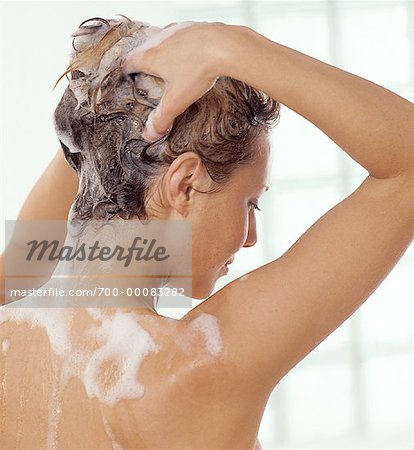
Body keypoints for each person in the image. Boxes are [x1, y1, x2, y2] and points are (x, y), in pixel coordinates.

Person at [1, 16, 413, 450]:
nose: (251, 236)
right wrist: (230, 46)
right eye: (250, 203)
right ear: (185, 184)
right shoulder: (197, 369)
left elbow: (27, 258)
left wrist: (110, 112)